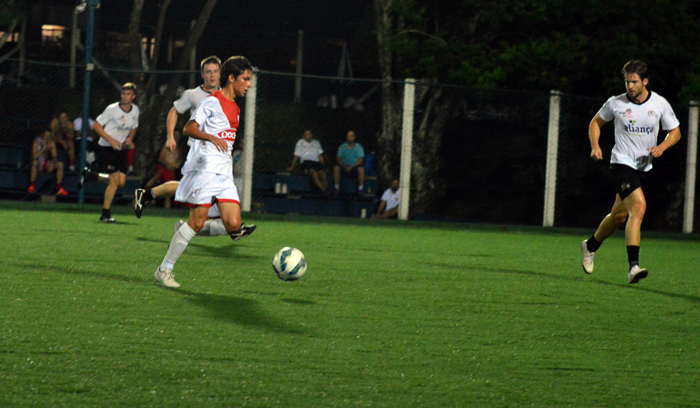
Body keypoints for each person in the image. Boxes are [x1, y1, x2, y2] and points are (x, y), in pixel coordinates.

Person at [154, 56, 256, 288]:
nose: (249, 84)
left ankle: (184, 230)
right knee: (198, 221)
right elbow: (188, 128)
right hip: (204, 170)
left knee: (233, 224)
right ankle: (164, 269)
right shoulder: (212, 102)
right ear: (232, 79)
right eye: (246, 79)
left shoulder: (237, 109)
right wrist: (211, 137)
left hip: (224, 174)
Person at [580, 60, 681, 284]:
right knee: (639, 206)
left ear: (645, 81)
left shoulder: (659, 104)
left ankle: (590, 245)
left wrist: (662, 146)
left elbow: (675, 131)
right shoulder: (616, 103)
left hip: (643, 167)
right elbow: (595, 123)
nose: (630, 86)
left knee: (619, 216)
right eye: (627, 82)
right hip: (621, 164)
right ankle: (633, 266)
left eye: (634, 82)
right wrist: (595, 146)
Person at [134, 56, 222, 216]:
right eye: (208, 72)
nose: (212, 75)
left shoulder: (225, 96)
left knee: (190, 188)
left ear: (220, 74)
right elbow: (174, 112)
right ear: (202, 75)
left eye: (215, 71)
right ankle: (230, 226)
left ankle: (146, 195)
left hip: (216, 151)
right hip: (199, 151)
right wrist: (170, 136)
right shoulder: (193, 95)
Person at [92, 82, 139, 223]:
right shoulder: (112, 109)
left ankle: (92, 176)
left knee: (121, 183)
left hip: (120, 149)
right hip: (107, 147)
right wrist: (111, 140)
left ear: (133, 96)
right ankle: (105, 214)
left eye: (129, 94)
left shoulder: (135, 110)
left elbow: (134, 126)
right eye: (124, 93)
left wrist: (130, 139)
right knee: (114, 180)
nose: (125, 96)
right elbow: (96, 125)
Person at [142, 129, 183, 209]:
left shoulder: (178, 148)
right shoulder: (168, 146)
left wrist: (176, 165)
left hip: (172, 170)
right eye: (175, 135)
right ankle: (144, 194)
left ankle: (167, 207)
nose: (177, 137)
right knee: (160, 183)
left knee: (169, 189)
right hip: (165, 168)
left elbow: (177, 160)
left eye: (178, 135)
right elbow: (161, 159)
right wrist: (170, 165)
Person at [287, 129, 328, 194]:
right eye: (307, 134)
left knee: (323, 174)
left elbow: (320, 156)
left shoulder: (316, 142)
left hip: (316, 163)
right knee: (313, 173)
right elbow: (296, 156)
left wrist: (323, 165)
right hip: (306, 163)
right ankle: (323, 190)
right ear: (303, 136)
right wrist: (292, 167)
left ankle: (325, 189)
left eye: (310, 133)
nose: (309, 135)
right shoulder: (301, 142)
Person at [28, 130, 68, 195]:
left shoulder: (51, 143)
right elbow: (34, 157)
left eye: (48, 136)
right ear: (42, 136)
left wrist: (52, 163)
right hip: (38, 163)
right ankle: (32, 186)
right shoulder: (37, 142)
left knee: (60, 165)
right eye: (45, 136)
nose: (46, 138)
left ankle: (59, 188)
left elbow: (54, 156)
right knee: (35, 163)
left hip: (46, 163)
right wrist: (44, 148)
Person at [333, 130, 365, 195]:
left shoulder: (358, 147)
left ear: (355, 137)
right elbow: (338, 159)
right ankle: (336, 187)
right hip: (344, 166)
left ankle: (361, 188)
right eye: (348, 136)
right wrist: (345, 166)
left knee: (361, 169)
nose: (350, 138)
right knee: (336, 168)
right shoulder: (342, 146)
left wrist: (351, 166)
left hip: (354, 167)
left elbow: (361, 160)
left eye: (352, 136)